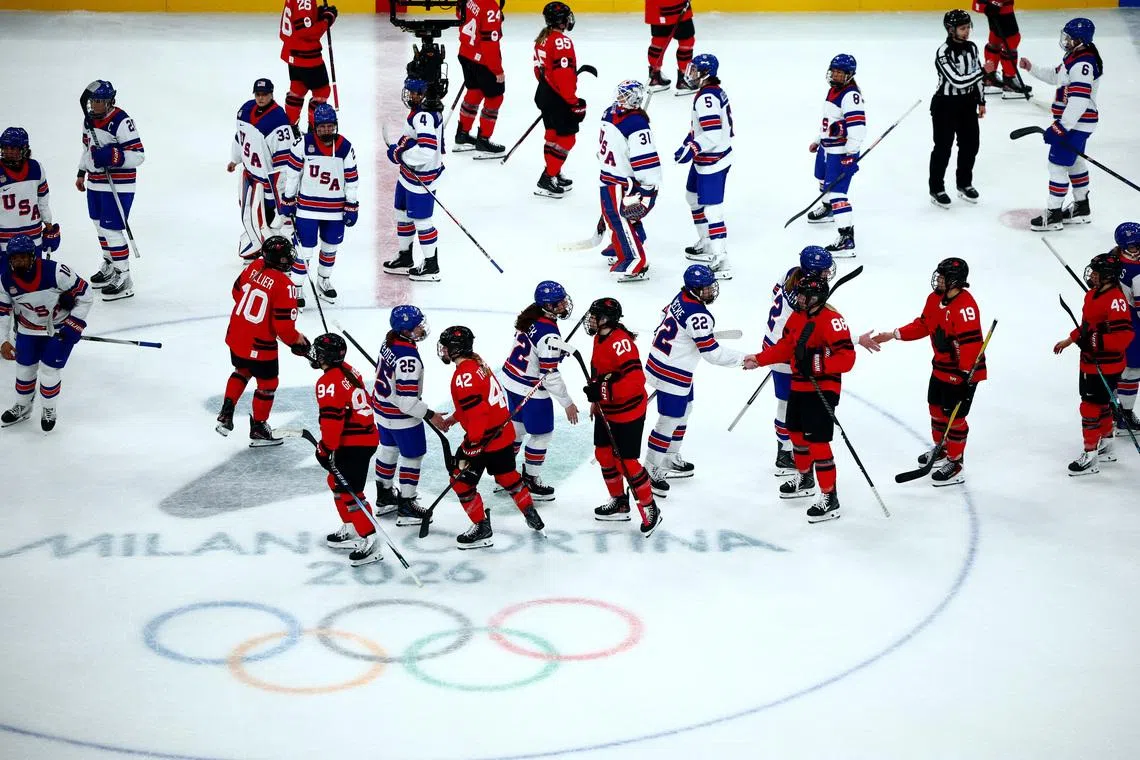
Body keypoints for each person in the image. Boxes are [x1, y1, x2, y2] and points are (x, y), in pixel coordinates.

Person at [858, 258, 987, 486]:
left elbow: (971, 345)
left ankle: (955, 463)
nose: (937, 279)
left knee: (955, 419)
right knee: (936, 411)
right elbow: (924, 324)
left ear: (955, 280)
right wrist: (894, 334)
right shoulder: (934, 299)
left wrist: (964, 377)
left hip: (962, 374)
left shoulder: (965, 307)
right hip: (940, 367)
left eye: (942, 277)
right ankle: (942, 448)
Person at [743, 273, 855, 523]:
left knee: (818, 443)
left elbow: (847, 359)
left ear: (816, 297)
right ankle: (805, 477)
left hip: (822, 388)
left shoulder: (833, 321)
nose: (799, 298)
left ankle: (830, 497)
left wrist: (817, 363)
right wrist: (759, 359)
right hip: (800, 384)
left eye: (804, 295)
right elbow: (786, 347)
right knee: (794, 432)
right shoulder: (797, 317)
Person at [438, 325, 545, 549]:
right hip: (503, 433)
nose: (443, 350)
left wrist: (472, 446)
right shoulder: (478, 364)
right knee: (508, 477)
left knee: (460, 484)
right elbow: (480, 402)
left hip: (484, 439)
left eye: (446, 347)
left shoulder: (463, 376)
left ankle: (481, 528)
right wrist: (455, 418)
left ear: (456, 349)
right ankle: (528, 510)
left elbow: (477, 414)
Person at [643, 265, 742, 496]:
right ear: (696, 289)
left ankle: (668, 458)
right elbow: (712, 354)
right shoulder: (699, 315)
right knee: (668, 420)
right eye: (706, 288)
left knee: (684, 411)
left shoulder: (681, 296)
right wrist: (742, 359)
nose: (711, 291)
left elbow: (663, 319)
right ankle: (650, 468)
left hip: (666, 364)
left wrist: (689, 338)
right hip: (672, 372)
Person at [216, 235, 310, 446]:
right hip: (260, 343)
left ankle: (227, 410)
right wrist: (298, 342)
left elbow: (235, 291)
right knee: (268, 383)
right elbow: (284, 329)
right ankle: (259, 428)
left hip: (236, 334)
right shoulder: (286, 286)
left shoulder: (255, 265)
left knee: (242, 370)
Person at [584, 297, 662, 537]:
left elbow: (636, 381)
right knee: (603, 454)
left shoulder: (621, 343)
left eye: (595, 316)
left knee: (626, 463)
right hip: (607, 409)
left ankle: (650, 508)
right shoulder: (600, 337)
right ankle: (619, 501)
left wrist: (604, 392)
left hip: (628, 412)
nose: (591, 320)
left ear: (606, 319)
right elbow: (600, 371)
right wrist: (597, 402)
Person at [0, 235, 92, 432]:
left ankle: (49, 409)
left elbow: (86, 295)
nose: (19, 262)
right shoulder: (6, 280)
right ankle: (23, 407)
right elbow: (3, 312)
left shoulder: (56, 272)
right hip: (28, 329)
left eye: (23, 257)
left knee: (49, 372)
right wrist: (3, 340)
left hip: (58, 329)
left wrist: (73, 325)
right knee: (24, 370)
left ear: (33, 256)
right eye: (14, 258)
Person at [1053, 253, 1134, 475]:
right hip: (1090, 362)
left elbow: (1123, 336)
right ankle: (1107, 444)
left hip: (1106, 364)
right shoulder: (1092, 295)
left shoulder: (1116, 300)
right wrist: (1071, 339)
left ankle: (1090, 456)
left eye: (1096, 272)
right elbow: (1088, 326)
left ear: (1108, 275)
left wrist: (1095, 343)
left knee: (1090, 406)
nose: (1092, 275)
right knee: (1103, 403)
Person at [500, 280, 580, 501]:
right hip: (531, 389)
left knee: (516, 430)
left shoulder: (531, 316)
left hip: (512, 381)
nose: (564, 305)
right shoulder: (549, 335)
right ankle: (531, 480)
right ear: (548, 306)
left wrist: (552, 354)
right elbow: (549, 375)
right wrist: (568, 402)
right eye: (559, 303)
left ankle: (504, 474)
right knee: (542, 435)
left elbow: (534, 351)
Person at [311, 333, 384, 566]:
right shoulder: (348, 369)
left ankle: (370, 539)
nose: (315, 355)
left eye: (319, 352)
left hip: (356, 443)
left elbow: (332, 423)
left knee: (350, 492)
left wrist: (325, 448)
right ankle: (352, 528)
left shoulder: (327, 383)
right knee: (336, 482)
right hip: (362, 436)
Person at [1022, 18, 1101, 232]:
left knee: (1056, 166)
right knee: (1074, 163)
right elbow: (1056, 76)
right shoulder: (1074, 57)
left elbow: (1078, 100)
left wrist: (1061, 127)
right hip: (1077, 123)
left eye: (1069, 37)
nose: (1065, 40)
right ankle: (1081, 209)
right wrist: (1032, 69)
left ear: (1080, 40)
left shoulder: (1083, 63)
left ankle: (1053, 215)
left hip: (1077, 124)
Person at [763, 246, 836, 475]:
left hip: (775, 342)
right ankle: (785, 452)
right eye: (823, 271)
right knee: (787, 404)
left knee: (789, 404)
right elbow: (816, 324)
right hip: (784, 351)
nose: (827, 274)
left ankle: (790, 449)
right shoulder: (802, 296)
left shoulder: (791, 273)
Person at [372, 305, 447, 526]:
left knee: (388, 450)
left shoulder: (390, 342)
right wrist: (430, 414)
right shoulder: (408, 358)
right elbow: (406, 402)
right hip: (401, 418)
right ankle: (406, 504)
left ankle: (384, 497)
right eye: (416, 326)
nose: (421, 329)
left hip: (382, 410)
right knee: (413, 456)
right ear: (404, 330)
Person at [280, 103, 358, 306]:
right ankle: (295, 287)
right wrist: (288, 199)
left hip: (335, 210)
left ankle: (323, 279)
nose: (326, 130)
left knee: (330, 247)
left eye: (330, 126)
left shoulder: (344, 147)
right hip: (307, 209)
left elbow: (352, 178)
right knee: (304, 250)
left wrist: (352, 205)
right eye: (322, 126)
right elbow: (292, 175)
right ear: (315, 125)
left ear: (335, 125)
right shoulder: (302, 144)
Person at [76, 80, 144, 301]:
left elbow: (138, 155)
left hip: (118, 185)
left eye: (100, 101)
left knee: (112, 229)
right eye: (93, 101)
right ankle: (110, 264)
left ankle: (124, 277)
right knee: (99, 226)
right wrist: (81, 172)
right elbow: (87, 149)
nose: (95, 105)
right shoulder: (88, 121)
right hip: (95, 182)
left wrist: (113, 156)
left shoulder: (121, 121)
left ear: (110, 101)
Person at [676, 53, 734, 278]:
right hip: (706, 157)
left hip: (713, 160)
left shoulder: (706, 97)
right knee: (692, 197)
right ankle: (707, 242)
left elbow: (712, 133)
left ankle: (721, 259)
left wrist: (692, 148)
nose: (691, 74)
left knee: (712, 209)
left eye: (695, 71)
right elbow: (701, 128)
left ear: (706, 74)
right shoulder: (709, 92)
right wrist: (688, 141)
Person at [227, 78, 297, 262]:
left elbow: (283, 161)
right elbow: (240, 138)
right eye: (258, 94)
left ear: (272, 94)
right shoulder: (245, 110)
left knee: (266, 218)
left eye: (264, 94)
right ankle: (257, 245)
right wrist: (235, 160)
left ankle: (274, 254)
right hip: (249, 174)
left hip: (266, 182)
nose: (260, 98)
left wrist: (282, 193)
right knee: (247, 215)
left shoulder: (278, 120)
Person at [382, 78, 445, 282]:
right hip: (408, 175)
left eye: (415, 92)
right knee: (401, 213)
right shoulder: (424, 110)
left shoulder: (424, 115)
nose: (410, 96)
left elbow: (427, 149)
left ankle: (431, 266)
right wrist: (402, 148)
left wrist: (401, 155)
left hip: (421, 177)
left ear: (425, 93)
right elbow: (413, 140)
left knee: (421, 220)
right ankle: (405, 256)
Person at [597, 79, 660, 283]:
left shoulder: (637, 124)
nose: (619, 98)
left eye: (624, 95)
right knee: (616, 219)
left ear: (633, 99)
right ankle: (628, 243)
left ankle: (635, 261)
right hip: (608, 173)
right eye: (619, 93)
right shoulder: (610, 112)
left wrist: (648, 186)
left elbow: (645, 157)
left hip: (622, 181)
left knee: (619, 219)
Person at [930, 10, 994, 208]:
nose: (967, 32)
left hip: (967, 104)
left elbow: (977, 78)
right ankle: (936, 188)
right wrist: (983, 71)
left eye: (968, 28)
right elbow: (957, 80)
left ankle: (964, 184)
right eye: (962, 28)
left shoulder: (973, 48)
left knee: (970, 145)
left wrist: (981, 101)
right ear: (951, 30)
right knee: (943, 148)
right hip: (945, 106)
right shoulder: (943, 52)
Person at [805, 55, 864, 258]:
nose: (836, 75)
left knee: (838, 193)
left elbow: (857, 127)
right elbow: (828, 120)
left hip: (840, 152)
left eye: (841, 72)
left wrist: (850, 154)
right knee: (822, 181)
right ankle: (829, 209)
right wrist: (818, 139)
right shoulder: (833, 90)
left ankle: (846, 239)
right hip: (827, 148)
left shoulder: (850, 95)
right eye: (834, 71)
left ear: (849, 75)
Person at [533, 1, 584, 198]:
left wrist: (549, 89)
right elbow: (564, 75)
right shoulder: (562, 41)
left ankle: (554, 171)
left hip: (545, 93)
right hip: (559, 97)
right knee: (567, 138)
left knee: (552, 135)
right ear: (561, 20)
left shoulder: (542, 39)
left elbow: (538, 71)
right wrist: (571, 100)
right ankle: (548, 176)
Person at [454, 0, 506, 155]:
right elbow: (489, 44)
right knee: (495, 97)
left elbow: (459, 13)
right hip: (482, 60)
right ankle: (483, 140)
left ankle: (462, 134)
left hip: (465, 53)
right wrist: (497, 70)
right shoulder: (490, 7)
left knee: (474, 92)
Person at [279, 0, 338, 134]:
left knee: (297, 90)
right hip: (307, 56)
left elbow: (300, 21)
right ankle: (314, 130)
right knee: (321, 93)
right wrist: (326, 20)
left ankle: (290, 129)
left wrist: (317, 14)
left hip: (293, 54)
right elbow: (307, 32)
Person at [0, 127, 60, 254]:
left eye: (13, 148)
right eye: (5, 148)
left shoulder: (36, 168)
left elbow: (43, 202)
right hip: (5, 241)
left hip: (33, 238)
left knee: (35, 273)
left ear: (24, 149)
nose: (8, 152)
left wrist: (49, 226)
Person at [1111, 222, 1140, 432]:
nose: (1137, 248)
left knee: (1122, 368)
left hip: (1116, 323)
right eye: (1133, 246)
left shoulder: (1112, 259)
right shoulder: (1137, 274)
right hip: (1133, 328)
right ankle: (1124, 415)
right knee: (1131, 370)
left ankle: (1117, 411)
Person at [973, 0, 1031, 97]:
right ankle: (1009, 81)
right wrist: (996, 2)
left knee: (995, 39)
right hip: (1002, 7)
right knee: (1012, 39)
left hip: (992, 5)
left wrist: (986, 5)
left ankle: (990, 77)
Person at [643, 0, 695, 93]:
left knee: (659, 40)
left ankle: (655, 77)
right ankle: (683, 78)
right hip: (672, 5)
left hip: (656, 7)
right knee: (686, 41)